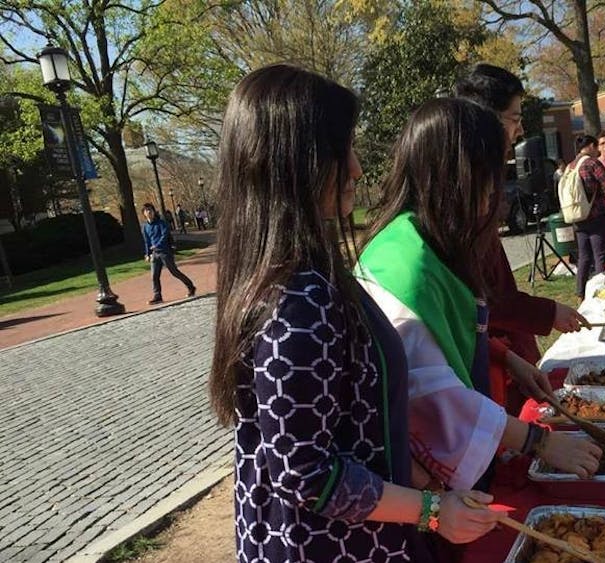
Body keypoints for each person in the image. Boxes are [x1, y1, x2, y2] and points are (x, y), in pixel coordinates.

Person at [208, 65, 503, 563]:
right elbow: (305, 473)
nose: (357, 168)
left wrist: (421, 478)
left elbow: (350, 423)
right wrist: (431, 511)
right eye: (343, 149)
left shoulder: (305, 275)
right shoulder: (297, 298)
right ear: (295, 162)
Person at [358, 98, 602, 502]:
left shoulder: (427, 239)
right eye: (491, 174)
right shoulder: (407, 264)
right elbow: (433, 394)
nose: (496, 193)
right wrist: (539, 443)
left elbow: (449, 328)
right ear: (462, 178)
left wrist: (507, 357)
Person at [454, 63, 588, 414]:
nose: (521, 129)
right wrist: (545, 313)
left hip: (504, 356)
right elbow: (479, 300)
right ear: (487, 121)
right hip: (484, 380)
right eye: (514, 119)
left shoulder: (483, 178)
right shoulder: (461, 194)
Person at [567, 135, 605, 299]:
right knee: (600, 255)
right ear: (591, 146)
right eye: (596, 147)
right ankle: (599, 292)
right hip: (595, 215)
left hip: (577, 217)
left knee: (584, 257)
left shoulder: (571, 166)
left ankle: (580, 293)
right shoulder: (592, 163)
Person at [141, 203, 195, 304]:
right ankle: (157, 296)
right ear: (144, 213)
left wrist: (157, 244)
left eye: (150, 210)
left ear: (153, 212)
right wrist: (147, 254)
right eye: (146, 210)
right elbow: (146, 241)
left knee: (174, 272)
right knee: (154, 276)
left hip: (165, 252)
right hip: (154, 254)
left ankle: (190, 286)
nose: (149, 212)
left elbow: (164, 235)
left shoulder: (161, 223)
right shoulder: (145, 227)